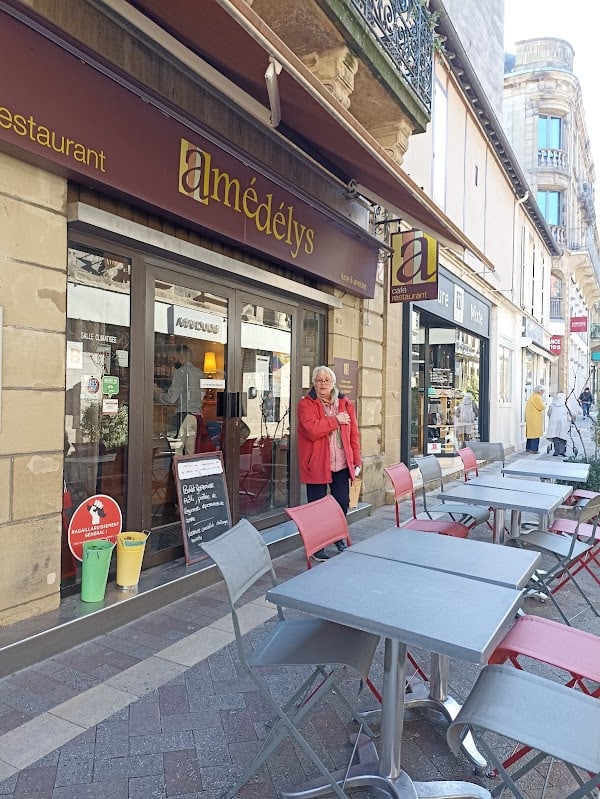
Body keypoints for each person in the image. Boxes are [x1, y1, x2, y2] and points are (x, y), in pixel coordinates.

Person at [297, 365, 361, 561]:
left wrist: (356, 459)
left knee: (341, 503)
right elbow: (311, 429)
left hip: (341, 464)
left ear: (333, 383)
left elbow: (353, 434)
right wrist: (336, 420)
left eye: (326, 380)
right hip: (316, 463)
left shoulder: (344, 403)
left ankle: (338, 537)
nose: (322, 383)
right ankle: (317, 546)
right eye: (318, 380)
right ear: (313, 383)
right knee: (316, 506)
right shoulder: (306, 404)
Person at [154, 344, 204, 432]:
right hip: (198, 416)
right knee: (191, 444)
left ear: (181, 357)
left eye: (174, 358)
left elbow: (170, 399)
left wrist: (155, 393)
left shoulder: (181, 372)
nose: (173, 362)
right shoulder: (199, 372)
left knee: (159, 428)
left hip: (183, 416)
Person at [546, 392, 573, 456]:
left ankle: (556, 451)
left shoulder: (553, 404)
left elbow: (548, 413)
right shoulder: (566, 404)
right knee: (563, 436)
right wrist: (571, 419)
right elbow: (572, 413)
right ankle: (562, 451)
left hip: (554, 422)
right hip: (563, 422)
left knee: (555, 436)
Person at [524, 385, 545, 453]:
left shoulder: (532, 396)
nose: (543, 393)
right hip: (535, 418)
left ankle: (528, 447)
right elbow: (541, 407)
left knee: (531, 433)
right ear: (539, 391)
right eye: (542, 391)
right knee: (535, 434)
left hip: (530, 417)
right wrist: (545, 405)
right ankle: (534, 449)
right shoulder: (537, 397)